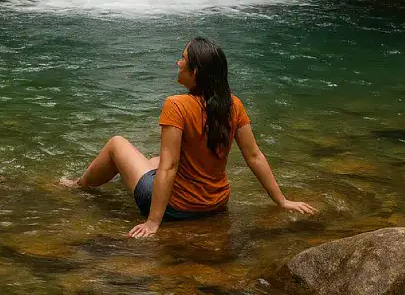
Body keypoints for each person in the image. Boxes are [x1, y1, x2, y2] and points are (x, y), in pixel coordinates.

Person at [59, 37, 316, 237]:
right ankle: (122, 176)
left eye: (182, 59)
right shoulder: (233, 104)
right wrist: (282, 200)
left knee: (117, 144)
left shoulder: (177, 105)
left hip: (177, 208)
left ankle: (80, 185)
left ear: (195, 73)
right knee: (155, 159)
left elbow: (170, 167)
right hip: (215, 204)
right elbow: (254, 156)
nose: (177, 63)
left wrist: (153, 222)